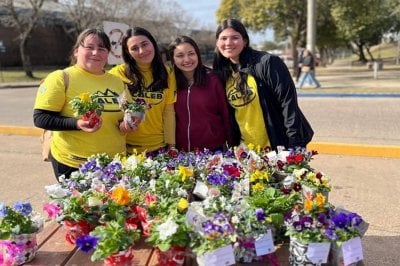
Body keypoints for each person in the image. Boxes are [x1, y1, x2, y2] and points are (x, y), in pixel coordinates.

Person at [33, 28, 136, 180]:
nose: (96, 52)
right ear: (76, 51)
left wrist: (128, 122)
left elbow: (129, 111)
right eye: (89, 47)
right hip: (74, 164)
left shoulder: (117, 82)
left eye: (102, 48)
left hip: (114, 163)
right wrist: (77, 123)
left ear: (107, 54)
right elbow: (41, 118)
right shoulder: (61, 77)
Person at [213, 18, 314, 151]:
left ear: (245, 40)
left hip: (278, 145)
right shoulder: (222, 71)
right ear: (217, 42)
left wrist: (294, 143)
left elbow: (288, 104)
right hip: (246, 151)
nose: (228, 43)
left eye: (235, 38)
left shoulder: (267, 63)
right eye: (223, 38)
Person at [109, 27, 177, 155]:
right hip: (125, 148)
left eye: (145, 44)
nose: (142, 51)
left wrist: (171, 145)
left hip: (158, 147)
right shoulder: (117, 74)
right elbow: (111, 110)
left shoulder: (168, 72)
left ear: (153, 43)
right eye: (134, 48)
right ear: (127, 52)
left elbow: (168, 112)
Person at [169, 35, 232, 152]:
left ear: (197, 54)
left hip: (213, 150)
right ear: (173, 59)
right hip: (180, 153)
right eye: (180, 56)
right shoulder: (169, 83)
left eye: (191, 54)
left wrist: (232, 145)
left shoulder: (213, 80)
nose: (187, 60)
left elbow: (226, 114)